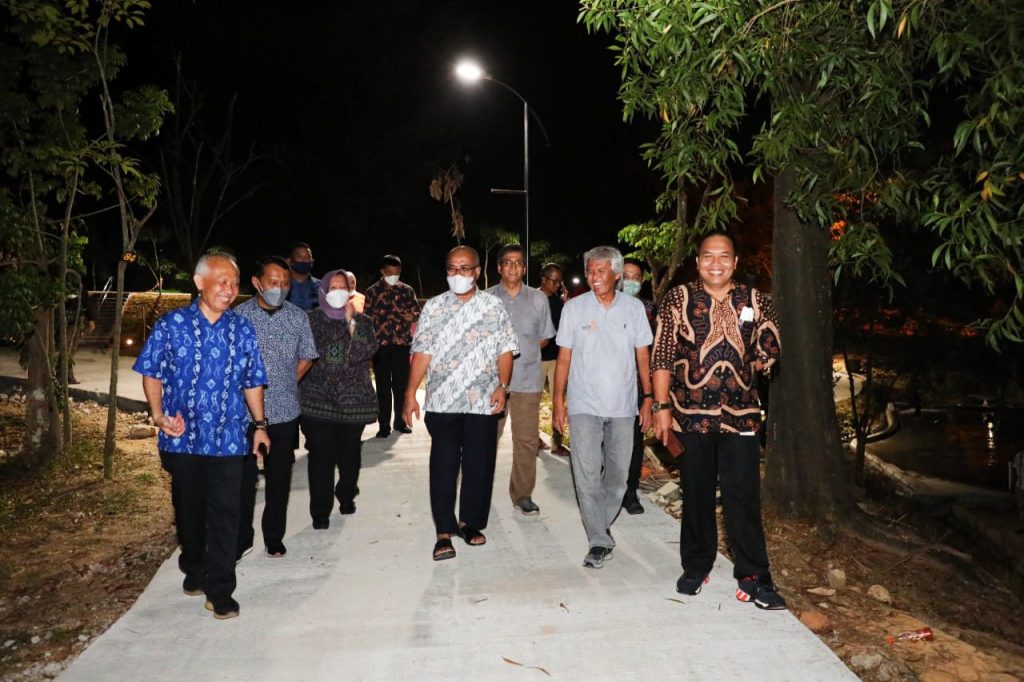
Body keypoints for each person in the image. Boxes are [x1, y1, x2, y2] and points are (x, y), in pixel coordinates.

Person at [651, 230, 786, 610]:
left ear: (735, 262)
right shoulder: (679, 298)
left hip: (740, 417)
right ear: (697, 262)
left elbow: (771, 345)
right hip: (689, 416)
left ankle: (754, 575)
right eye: (708, 256)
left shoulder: (756, 300)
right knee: (696, 493)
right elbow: (662, 355)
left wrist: (758, 361)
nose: (716, 263)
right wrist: (660, 408)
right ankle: (696, 566)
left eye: (724, 256)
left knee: (743, 496)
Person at [133, 252, 269, 620]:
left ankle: (220, 589)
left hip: (229, 439)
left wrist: (260, 426)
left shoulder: (242, 330)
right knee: (189, 513)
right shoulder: (171, 325)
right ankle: (193, 565)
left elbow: (252, 381)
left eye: (234, 283)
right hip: (183, 440)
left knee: (227, 513)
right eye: (222, 281)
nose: (229, 289)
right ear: (199, 282)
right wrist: (158, 415)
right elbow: (151, 371)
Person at [403, 246, 517, 561]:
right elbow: (422, 351)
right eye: (452, 268)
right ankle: (444, 531)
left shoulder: (493, 306)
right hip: (443, 401)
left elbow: (505, 350)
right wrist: (410, 392)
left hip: (483, 402)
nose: (458, 274)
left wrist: (503, 386)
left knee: (479, 465)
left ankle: (469, 522)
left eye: (465, 268)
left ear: (477, 272)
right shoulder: (434, 307)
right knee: (444, 465)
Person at [552, 246, 654, 569]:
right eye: (590, 271)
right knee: (586, 475)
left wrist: (649, 398)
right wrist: (558, 401)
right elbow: (564, 358)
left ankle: (600, 521)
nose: (593, 277)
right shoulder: (574, 309)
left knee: (619, 478)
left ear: (617, 274)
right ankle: (598, 539)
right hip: (583, 404)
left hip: (623, 406)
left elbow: (643, 356)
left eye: (600, 271)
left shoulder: (634, 309)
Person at [235, 256, 318, 558]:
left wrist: (287, 380)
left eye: (285, 283)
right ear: (256, 282)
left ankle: (274, 536)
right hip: (243, 414)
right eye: (273, 282)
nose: (280, 288)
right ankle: (241, 537)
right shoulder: (238, 317)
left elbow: (308, 355)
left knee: (279, 478)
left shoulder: (298, 317)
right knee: (243, 479)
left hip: (285, 411)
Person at [300, 269, 379, 528]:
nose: (337, 292)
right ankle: (320, 512)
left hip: (353, 402)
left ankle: (346, 495)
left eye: (342, 287)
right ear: (323, 291)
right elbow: (307, 353)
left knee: (349, 455)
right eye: (332, 287)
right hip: (317, 401)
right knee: (320, 457)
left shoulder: (363, 321)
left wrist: (350, 322)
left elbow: (364, 351)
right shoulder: (310, 320)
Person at [486, 244, 556, 516]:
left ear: (525, 268)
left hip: (527, 379)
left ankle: (523, 494)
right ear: (499, 267)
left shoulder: (538, 299)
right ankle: (479, 489)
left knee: (526, 441)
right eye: (508, 262)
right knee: (485, 438)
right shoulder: (486, 298)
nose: (513, 267)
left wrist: (525, 349)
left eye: (518, 262)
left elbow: (545, 336)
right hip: (492, 383)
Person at [364, 254, 421, 439]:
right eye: (389, 273)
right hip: (380, 346)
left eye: (396, 273)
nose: (393, 276)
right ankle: (383, 425)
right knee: (382, 386)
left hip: (401, 345)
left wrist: (411, 316)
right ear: (382, 271)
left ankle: (400, 422)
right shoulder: (372, 292)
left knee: (401, 385)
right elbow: (366, 318)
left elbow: (417, 312)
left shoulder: (407, 291)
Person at [620, 258, 658, 515]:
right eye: (626, 276)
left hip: (637, 386)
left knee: (635, 441)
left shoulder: (650, 310)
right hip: (609, 386)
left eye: (635, 277)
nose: (630, 282)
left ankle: (630, 492)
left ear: (642, 282)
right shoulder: (604, 305)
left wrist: (650, 393)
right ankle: (607, 488)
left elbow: (655, 351)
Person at [538, 263, 570, 456]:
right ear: (544, 279)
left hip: (557, 359)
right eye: (554, 281)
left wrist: (567, 305)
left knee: (558, 401)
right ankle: (533, 437)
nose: (558, 285)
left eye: (560, 281)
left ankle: (557, 443)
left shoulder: (560, 302)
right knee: (533, 401)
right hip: (537, 359)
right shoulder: (533, 299)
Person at [285, 242, 320, 311]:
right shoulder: (281, 286)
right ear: (289, 261)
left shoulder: (321, 287)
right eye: (299, 256)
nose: (304, 260)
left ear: (312, 261)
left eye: (307, 256)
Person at [1012, 449, 1024, 534]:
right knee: (1021, 507)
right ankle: (1023, 526)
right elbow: (1014, 470)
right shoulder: (1018, 455)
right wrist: (1012, 484)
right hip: (1019, 485)